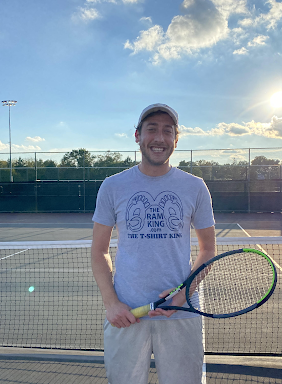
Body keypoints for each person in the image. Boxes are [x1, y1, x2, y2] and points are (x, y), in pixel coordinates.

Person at [91, 103, 216, 384]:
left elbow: (208, 250)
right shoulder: (112, 186)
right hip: (127, 314)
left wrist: (181, 296)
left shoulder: (195, 186)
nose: (159, 138)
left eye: (167, 131)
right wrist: (112, 304)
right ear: (137, 135)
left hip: (181, 315)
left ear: (175, 139)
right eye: (152, 130)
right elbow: (99, 251)